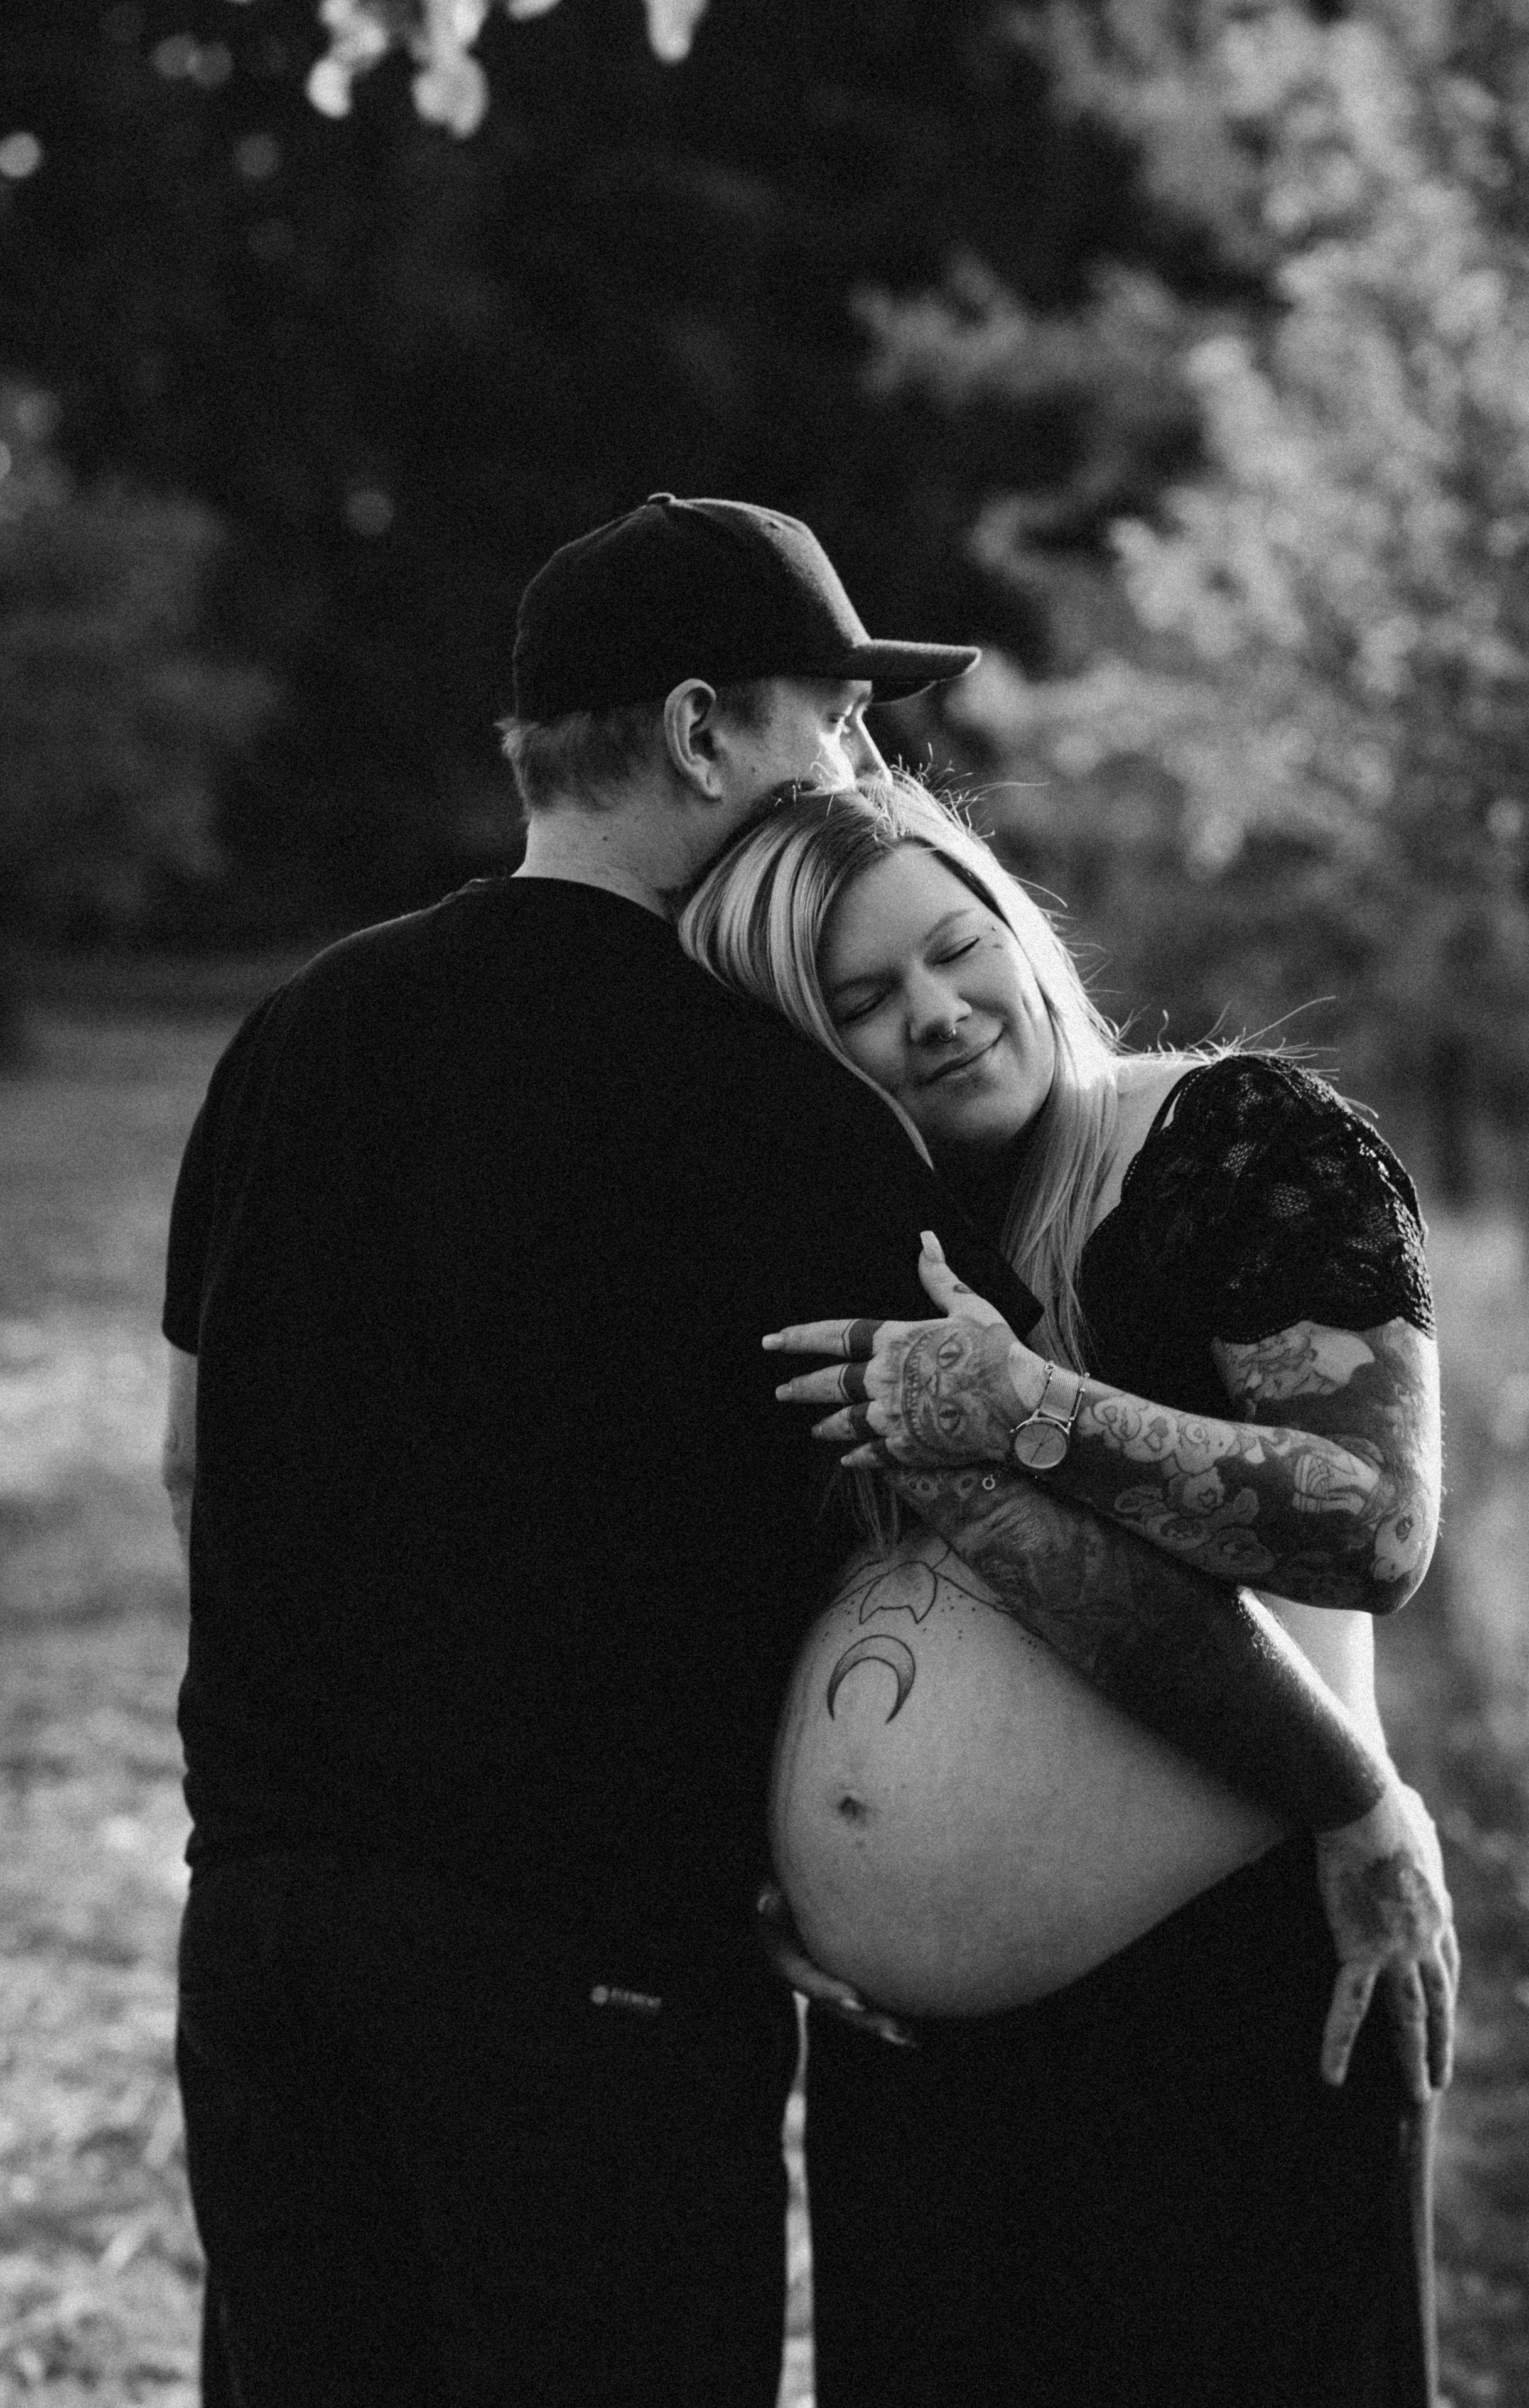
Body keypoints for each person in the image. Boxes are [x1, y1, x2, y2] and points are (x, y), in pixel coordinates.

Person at [163, 499, 1442, 2407]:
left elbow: (194, 1456)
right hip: (585, 1980)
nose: (857, 765)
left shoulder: (296, 1031)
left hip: (260, 1942)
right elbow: (995, 1526)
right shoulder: (763, 1104)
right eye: (832, 722)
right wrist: (1350, 1791)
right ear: (699, 735)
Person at [679, 767, 1456, 2408]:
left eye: (958, 947)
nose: (943, 1014)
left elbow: (1375, 1524)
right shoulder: (840, 1228)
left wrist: (1029, 1405)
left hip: (1241, 1987)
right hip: (930, 2064)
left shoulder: (1229, 1146)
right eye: (865, 1001)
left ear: (1017, 922)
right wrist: (769, 1858)